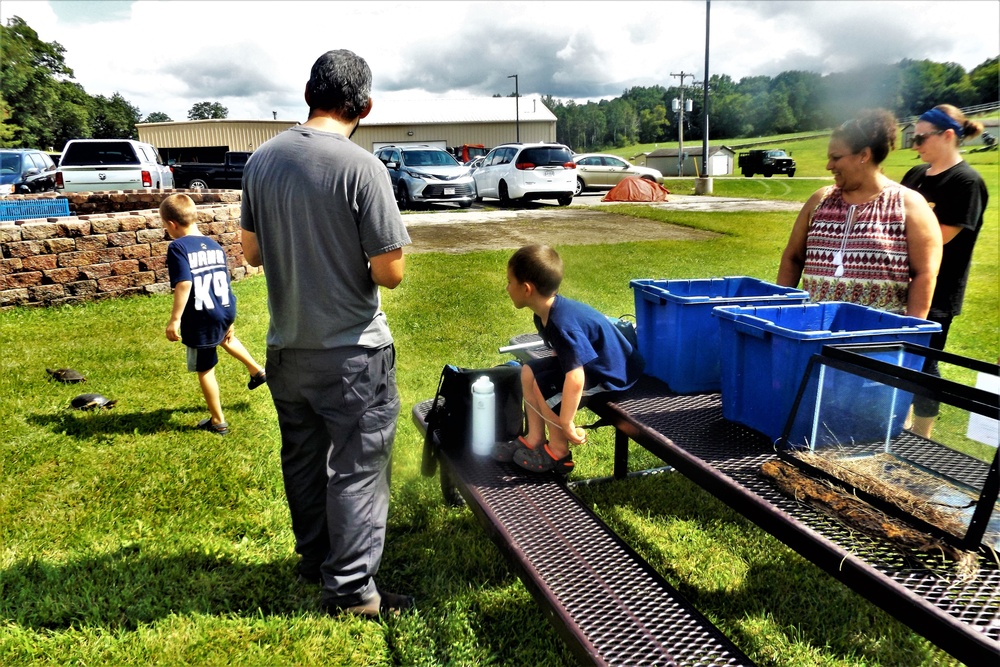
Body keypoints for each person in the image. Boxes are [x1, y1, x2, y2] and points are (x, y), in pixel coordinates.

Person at [240, 50, 412, 617]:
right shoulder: (363, 168)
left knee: (305, 460)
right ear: (365, 106)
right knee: (358, 468)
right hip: (353, 351)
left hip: (286, 348)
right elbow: (390, 272)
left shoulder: (260, 161)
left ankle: (314, 558)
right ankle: (352, 591)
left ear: (309, 93)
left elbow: (253, 252)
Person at [777, 108, 942, 319]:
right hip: (814, 333)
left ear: (864, 155)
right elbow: (793, 258)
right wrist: (780, 311)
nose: (829, 166)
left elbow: (925, 273)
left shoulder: (908, 205)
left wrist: (909, 332)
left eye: (836, 157)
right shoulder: (819, 201)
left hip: (874, 339)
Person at [494, 245, 644, 475]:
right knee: (528, 372)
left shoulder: (562, 323)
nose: (506, 288)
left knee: (546, 389)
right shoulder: (543, 313)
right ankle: (534, 438)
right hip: (591, 364)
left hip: (612, 373)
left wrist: (567, 423)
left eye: (509, 282)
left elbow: (575, 378)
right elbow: (562, 353)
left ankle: (558, 453)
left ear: (526, 289)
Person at [900, 105, 988, 438]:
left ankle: (923, 438)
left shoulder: (966, 182)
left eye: (921, 137)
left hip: (938, 290)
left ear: (947, 135)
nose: (915, 144)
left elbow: (937, 238)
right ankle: (900, 424)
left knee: (924, 362)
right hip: (901, 284)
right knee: (899, 356)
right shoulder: (914, 176)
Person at [161, 193, 267, 436]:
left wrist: (175, 319)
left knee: (205, 368)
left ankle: (218, 421)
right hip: (224, 306)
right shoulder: (214, 245)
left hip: (200, 314)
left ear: (171, 225)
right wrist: (229, 315)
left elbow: (184, 284)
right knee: (225, 338)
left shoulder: (177, 247)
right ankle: (257, 371)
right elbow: (225, 280)